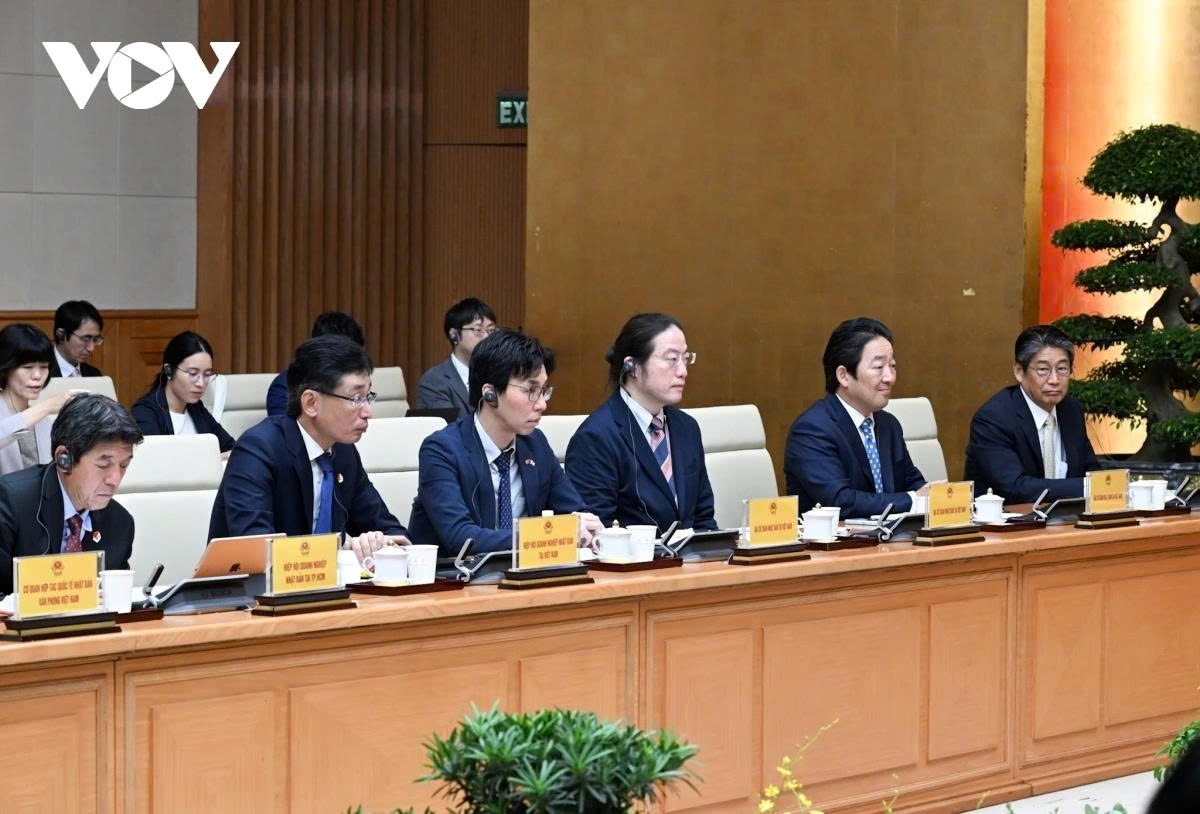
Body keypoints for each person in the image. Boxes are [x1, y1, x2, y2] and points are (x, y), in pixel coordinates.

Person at [209, 334, 408, 564]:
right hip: (246, 595)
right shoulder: (258, 450)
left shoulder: (343, 452)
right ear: (311, 403)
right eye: (355, 399)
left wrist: (382, 543)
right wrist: (339, 551)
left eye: (368, 397)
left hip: (324, 592)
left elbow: (393, 531)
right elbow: (256, 550)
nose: (367, 412)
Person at [408, 329, 601, 556]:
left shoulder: (534, 443)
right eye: (531, 390)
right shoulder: (441, 450)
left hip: (523, 580)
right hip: (454, 582)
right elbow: (461, 538)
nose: (542, 405)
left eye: (544, 391)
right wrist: (546, 536)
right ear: (490, 393)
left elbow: (573, 510)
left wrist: (584, 524)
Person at [565, 313, 716, 534]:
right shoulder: (596, 438)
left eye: (686, 358)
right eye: (672, 359)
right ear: (632, 367)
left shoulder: (687, 428)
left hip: (691, 563)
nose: (683, 371)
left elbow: (703, 520)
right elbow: (597, 533)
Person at [0, 393, 143, 594]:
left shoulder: (120, 523)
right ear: (64, 459)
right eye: (104, 464)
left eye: (124, 465)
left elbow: (115, 601)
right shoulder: (10, 503)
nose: (115, 479)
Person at [784, 317, 926, 518]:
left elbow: (913, 483)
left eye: (892, 366)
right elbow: (840, 502)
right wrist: (913, 500)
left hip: (890, 543)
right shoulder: (812, 429)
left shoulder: (888, 425)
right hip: (832, 547)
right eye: (879, 367)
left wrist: (938, 498)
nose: (890, 377)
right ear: (843, 376)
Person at [964, 325, 1099, 502]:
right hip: (1008, 523)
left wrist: (1112, 485)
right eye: (1043, 370)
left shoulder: (1070, 410)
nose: (1054, 380)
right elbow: (1016, 488)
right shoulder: (994, 418)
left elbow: (1091, 470)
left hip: (1066, 521)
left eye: (1062, 369)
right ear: (1019, 372)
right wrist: (1090, 487)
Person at [131, 331, 236, 454]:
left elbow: (232, 448)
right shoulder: (145, 412)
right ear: (169, 371)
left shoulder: (196, 408)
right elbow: (158, 461)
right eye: (192, 373)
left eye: (207, 374)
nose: (201, 383)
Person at [0, 325, 83, 476]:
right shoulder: (42, 412)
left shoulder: (44, 423)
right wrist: (47, 406)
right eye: (27, 367)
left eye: (44, 367)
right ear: (6, 368)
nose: (37, 375)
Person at [266, 311, 366, 416]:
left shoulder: (355, 384)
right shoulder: (285, 386)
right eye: (347, 356)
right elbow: (284, 429)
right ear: (321, 350)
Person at [414, 297, 498, 418]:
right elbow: (450, 431)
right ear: (454, 335)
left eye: (491, 330)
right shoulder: (434, 382)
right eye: (478, 330)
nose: (486, 337)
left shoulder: (502, 375)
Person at [50, 300, 105, 378]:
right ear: (61, 335)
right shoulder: (40, 373)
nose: (91, 348)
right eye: (85, 338)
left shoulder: (94, 374)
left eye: (95, 340)